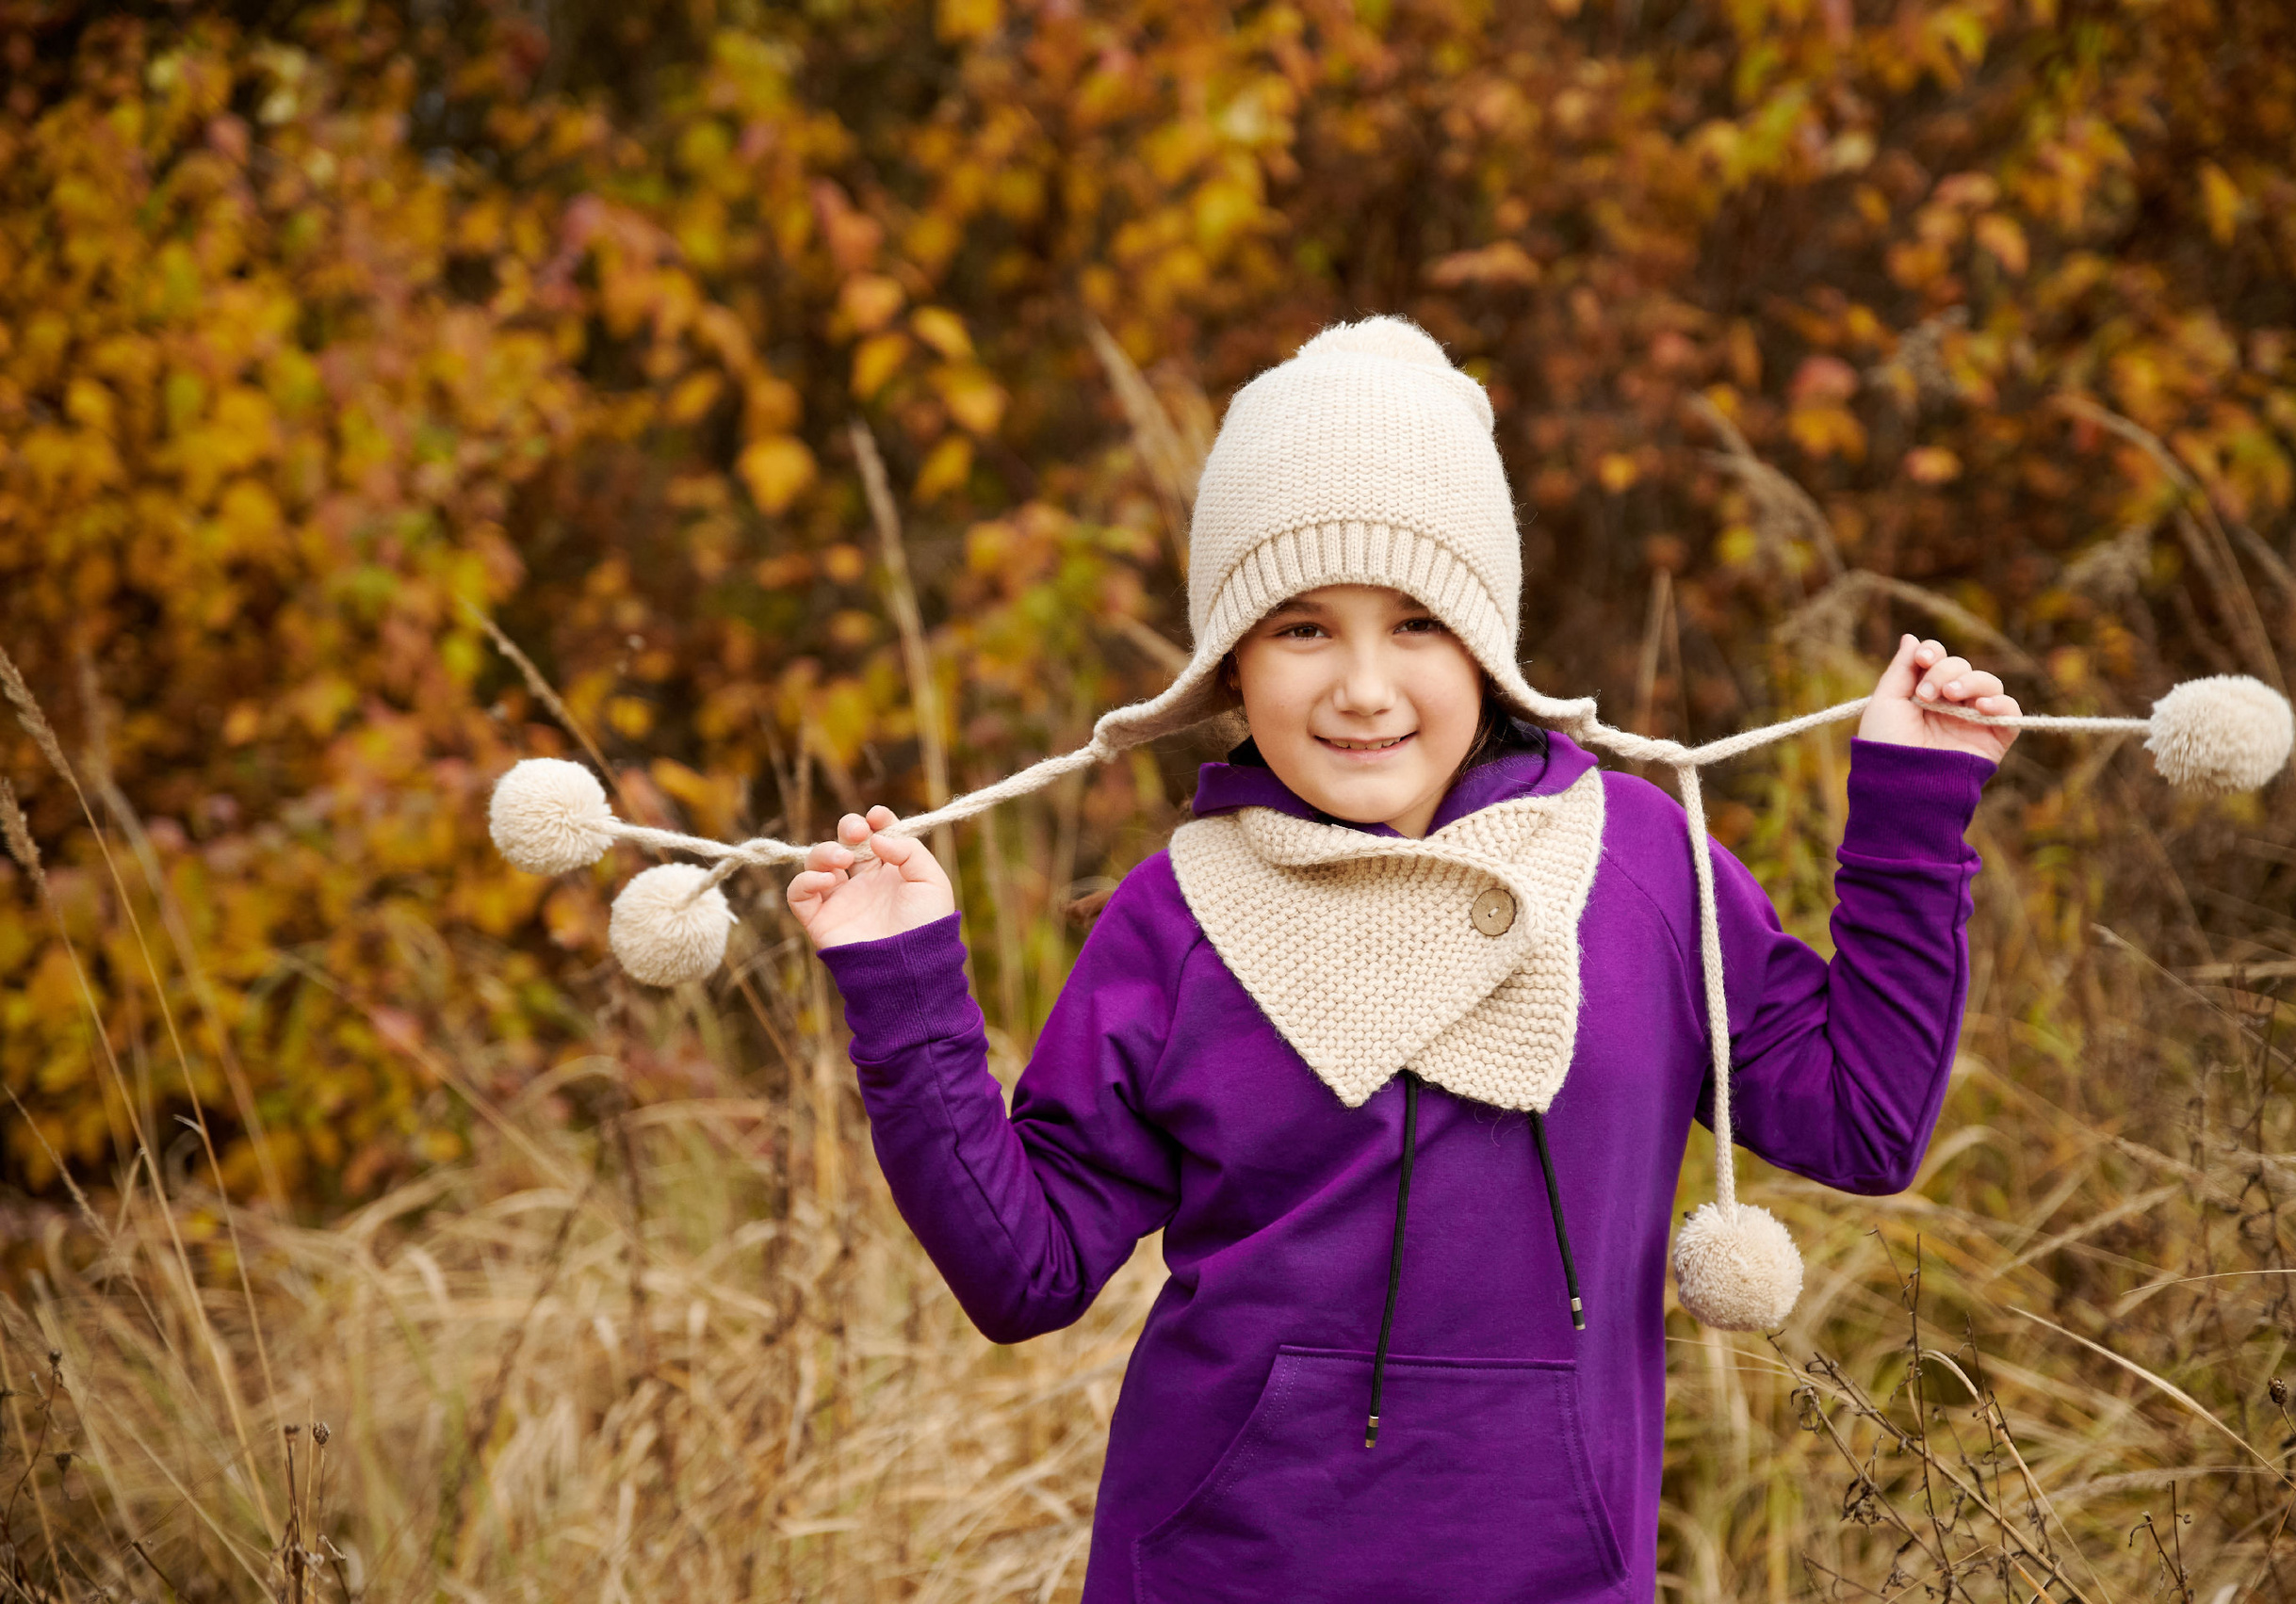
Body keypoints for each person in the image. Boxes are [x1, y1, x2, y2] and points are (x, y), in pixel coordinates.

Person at [783, 316, 2015, 1603]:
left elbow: (1864, 1124)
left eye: (1418, 622)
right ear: (1231, 660)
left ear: (1486, 641)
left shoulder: (1638, 868)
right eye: (1303, 628)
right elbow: (1024, 1273)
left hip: (1559, 1575)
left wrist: (1913, 814)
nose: (1364, 688)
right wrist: (904, 990)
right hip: (1224, 1573)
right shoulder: (1175, 921)